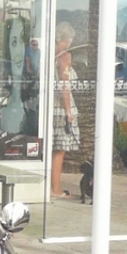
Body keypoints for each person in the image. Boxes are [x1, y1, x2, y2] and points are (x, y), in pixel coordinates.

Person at [50, 25, 78, 200]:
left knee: (51, 148)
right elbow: (64, 86)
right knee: (60, 149)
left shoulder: (49, 56)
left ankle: (52, 186)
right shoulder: (65, 57)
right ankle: (56, 188)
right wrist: (68, 111)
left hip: (49, 106)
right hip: (61, 107)